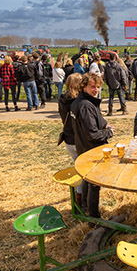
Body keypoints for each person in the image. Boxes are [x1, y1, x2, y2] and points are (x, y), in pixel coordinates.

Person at [70, 72, 115, 219]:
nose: (95, 90)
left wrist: (103, 124)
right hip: (91, 150)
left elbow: (89, 125)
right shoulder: (86, 105)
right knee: (94, 184)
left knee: (88, 180)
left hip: (83, 147)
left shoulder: (78, 102)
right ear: (83, 86)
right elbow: (92, 134)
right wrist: (109, 133)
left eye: (97, 87)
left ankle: (85, 206)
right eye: (92, 87)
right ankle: (94, 217)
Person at [58, 73, 83, 201]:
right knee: (83, 171)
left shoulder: (62, 99)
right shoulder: (78, 102)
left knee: (78, 167)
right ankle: (80, 197)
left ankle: (79, 195)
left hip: (68, 138)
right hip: (78, 139)